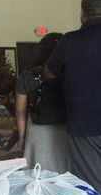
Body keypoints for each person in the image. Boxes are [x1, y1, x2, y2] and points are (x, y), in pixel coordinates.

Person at [45, 0, 101, 192]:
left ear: (82, 14)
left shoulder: (70, 41)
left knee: (90, 186)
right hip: (83, 122)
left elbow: (49, 74)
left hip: (83, 123)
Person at [14, 33, 69, 172]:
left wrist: (22, 139)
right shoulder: (69, 72)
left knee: (38, 175)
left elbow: (20, 111)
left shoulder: (28, 75)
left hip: (37, 130)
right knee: (65, 173)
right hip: (65, 128)